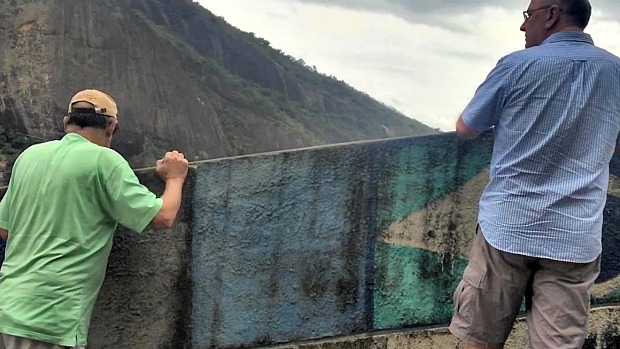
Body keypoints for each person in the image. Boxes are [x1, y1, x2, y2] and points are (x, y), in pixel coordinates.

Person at [449, 0, 620, 348]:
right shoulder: (616, 71)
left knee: (478, 340)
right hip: (574, 236)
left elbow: (466, 127)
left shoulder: (516, 64)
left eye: (528, 16)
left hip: (508, 227)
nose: (523, 27)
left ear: (552, 14)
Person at [0, 89, 189, 349]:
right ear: (111, 127)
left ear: (67, 122)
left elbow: (5, 229)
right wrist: (176, 176)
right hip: (51, 319)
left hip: (7, 306)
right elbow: (162, 217)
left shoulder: (28, 157)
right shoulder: (104, 161)